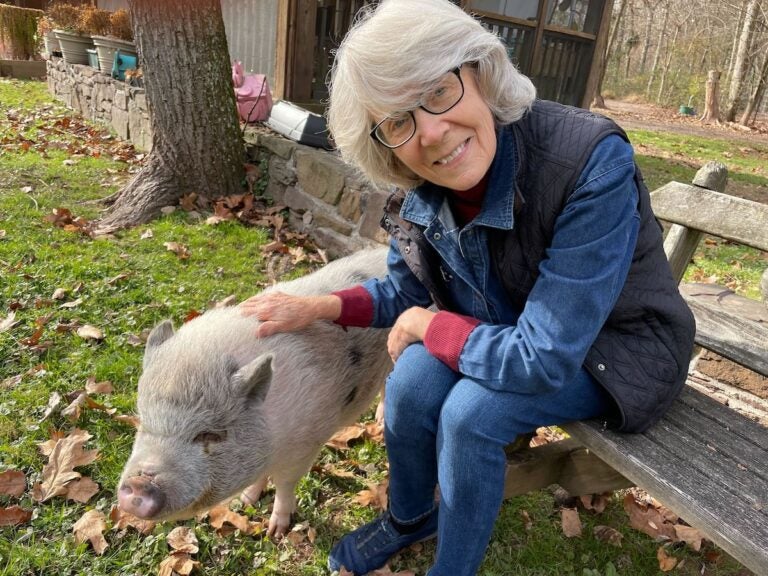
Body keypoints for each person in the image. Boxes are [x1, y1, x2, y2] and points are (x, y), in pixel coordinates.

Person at [240, 0, 696, 573]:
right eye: (399, 121)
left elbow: (541, 356)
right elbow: (406, 295)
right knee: (408, 381)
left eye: (437, 91)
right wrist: (317, 306)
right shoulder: (417, 191)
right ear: (383, 144)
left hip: (621, 350)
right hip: (509, 330)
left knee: (471, 414)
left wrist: (432, 325)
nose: (431, 133)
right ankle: (410, 517)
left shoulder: (587, 162)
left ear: (478, 72)